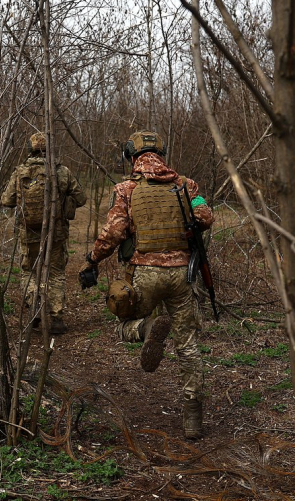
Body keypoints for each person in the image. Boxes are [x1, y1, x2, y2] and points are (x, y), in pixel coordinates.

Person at [80, 131, 214, 439]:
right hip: (184, 276)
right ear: (162, 155)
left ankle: (145, 328)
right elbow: (205, 216)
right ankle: (192, 420)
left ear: (130, 157)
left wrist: (92, 260)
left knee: (122, 320)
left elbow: (113, 233)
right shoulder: (186, 185)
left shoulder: (126, 189)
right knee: (188, 346)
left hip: (145, 274)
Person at [1, 131, 86, 335]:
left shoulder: (20, 172)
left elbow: (6, 200)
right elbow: (81, 198)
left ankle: (34, 308)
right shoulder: (61, 171)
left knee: (29, 271)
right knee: (56, 273)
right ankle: (56, 318)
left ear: (31, 150)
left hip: (28, 232)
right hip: (55, 233)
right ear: (49, 150)